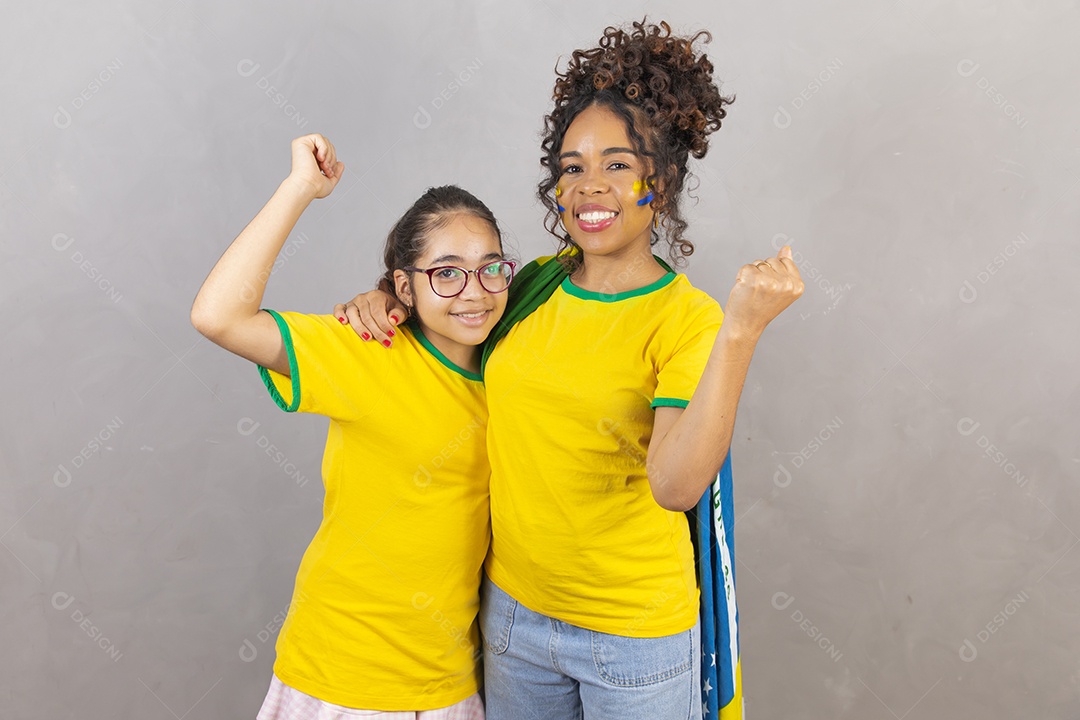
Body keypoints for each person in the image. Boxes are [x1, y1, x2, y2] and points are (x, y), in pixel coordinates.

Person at [336, 20, 804, 720]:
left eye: (617, 165)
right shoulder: (533, 286)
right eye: (572, 166)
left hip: (634, 639)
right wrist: (389, 296)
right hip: (514, 620)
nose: (590, 187)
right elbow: (448, 334)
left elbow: (675, 484)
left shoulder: (686, 318)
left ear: (662, 179)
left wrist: (740, 332)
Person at [191, 133, 517, 719]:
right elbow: (219, 316)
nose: (475, 292)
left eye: (491, 268)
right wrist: (300, 190)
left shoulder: (518, 367)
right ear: (404, 286)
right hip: (341, 678)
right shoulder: (370, 349)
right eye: (445, 273)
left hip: (451, 684)